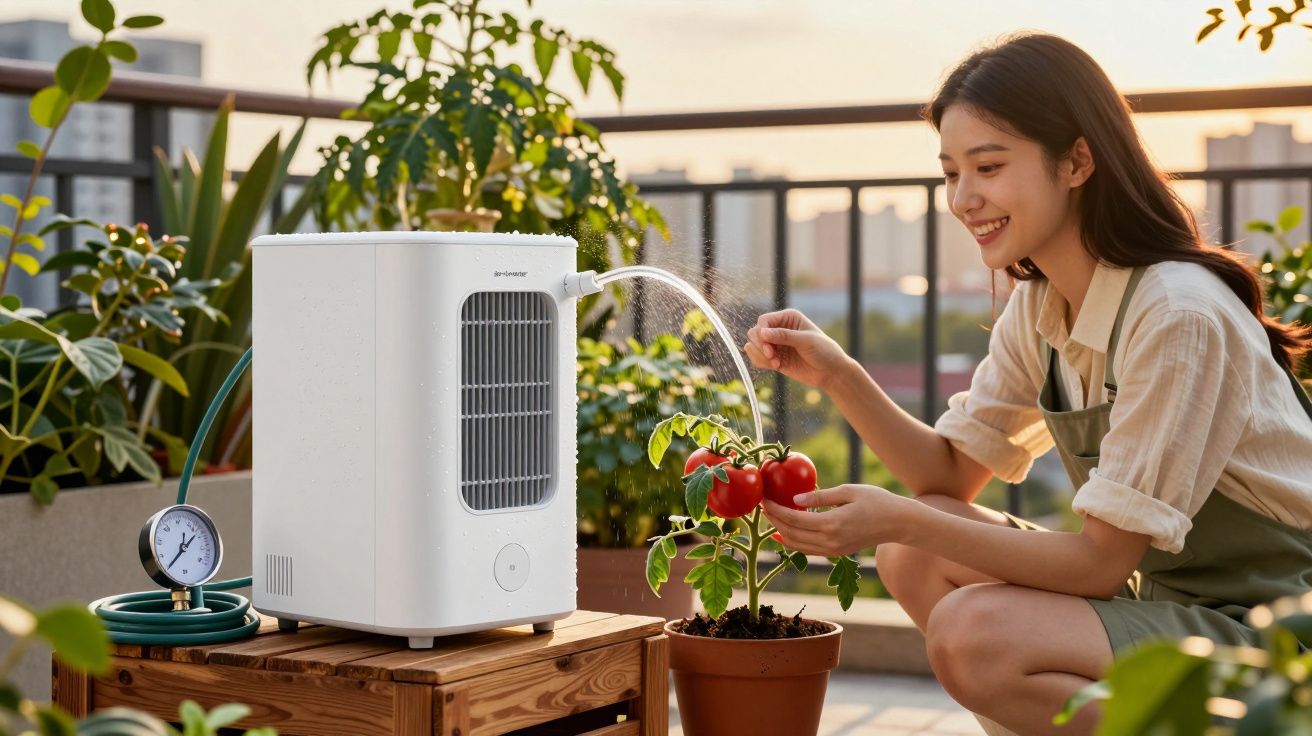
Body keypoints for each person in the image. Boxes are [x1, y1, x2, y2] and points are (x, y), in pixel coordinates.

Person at [746, 32, 1312, 736]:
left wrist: (896, 513)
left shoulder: (1176, 313)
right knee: (915, 552)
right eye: (951, 172)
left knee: (975, 633)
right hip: (1171, 602)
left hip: (1282, 636)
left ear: (1077, 160)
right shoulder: (1041, 304)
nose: (963, 198)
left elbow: (1100, 565)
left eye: (987, 166)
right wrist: (836, 373)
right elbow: (948, 475)